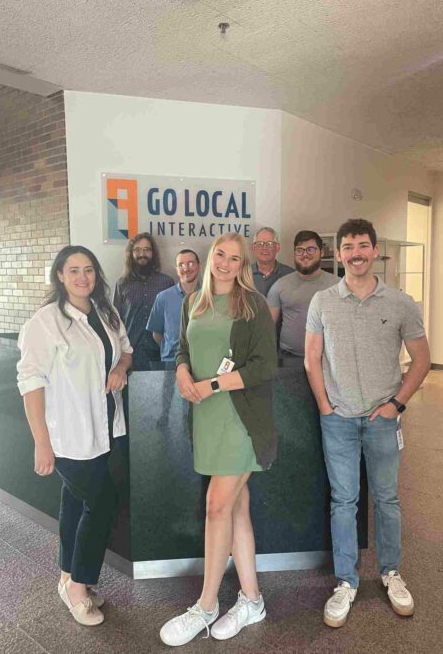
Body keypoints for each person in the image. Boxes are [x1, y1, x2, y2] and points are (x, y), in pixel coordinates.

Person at [304, 218, 430, 628]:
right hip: (337, 419)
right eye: (348, 247)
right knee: (344, 502)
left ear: (374, 251)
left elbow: (422, 360)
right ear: (337, 254)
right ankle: (346, 581)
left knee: (387, 499)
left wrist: (397, 404)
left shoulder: (401, 303)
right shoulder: (322, 301)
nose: (355, 253)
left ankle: (391, 573)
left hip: (383, 419)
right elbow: (312, 359)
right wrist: (324, 405)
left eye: (362, 245)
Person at [159, 233, 278, 647]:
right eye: (220, 255)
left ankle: (206, 605)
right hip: (208, 420)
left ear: (244, 264)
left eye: (235, 258)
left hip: (241, 420)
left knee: (215, 506)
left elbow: (266, 366)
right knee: (237, 508)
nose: (225, 264)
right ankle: (252, 600)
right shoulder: (194, 302)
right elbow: (181, 350)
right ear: (211, 258)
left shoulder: (253, 305)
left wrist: (210, 384)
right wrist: (180, 372)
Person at [17, 245, 133, 626]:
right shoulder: (45, 321)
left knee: (75, 504)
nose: (83, 277)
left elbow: (126, 351)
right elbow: (31, 382)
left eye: (88, 270)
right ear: (60, 277)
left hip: (104, 429)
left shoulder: (107, 312)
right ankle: (80, 585)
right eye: (73, 271)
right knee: (102, 503)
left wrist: (119, 368)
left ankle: (68, 576)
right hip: (67, 434)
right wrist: (40, 442)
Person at [268, 230, 338, 356]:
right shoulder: (280, 285)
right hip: (288, 358)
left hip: (326, 357)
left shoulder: (337, 286)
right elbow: (266, 326)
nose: (305, 254)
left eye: (310, 249)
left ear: (321, 252)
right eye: (299, 250)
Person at [113, 232, 174, 367]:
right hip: (130, 356)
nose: (142, 254)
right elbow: (115, 321)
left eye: (147, 250)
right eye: (138, 250)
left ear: (153, 253)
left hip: (161, 355)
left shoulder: (166, 282)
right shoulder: (122, 284)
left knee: (162, 389)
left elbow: (173, 322)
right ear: (131, 253)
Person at [146, 249, 201, 361]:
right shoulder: (163, 298)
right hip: (171, 364)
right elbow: (157, 334)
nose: (186, 268)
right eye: (181, 265)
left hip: (201, 363)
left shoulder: (210, 296)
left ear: (199, 266)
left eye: (191, 263)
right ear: (177, 270)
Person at [251, 227, 294, 296]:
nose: (264, 248)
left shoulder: (290, 275)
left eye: (270, 244)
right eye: (260, 244)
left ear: (277, 247)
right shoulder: (243, 275)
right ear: (253, 248)